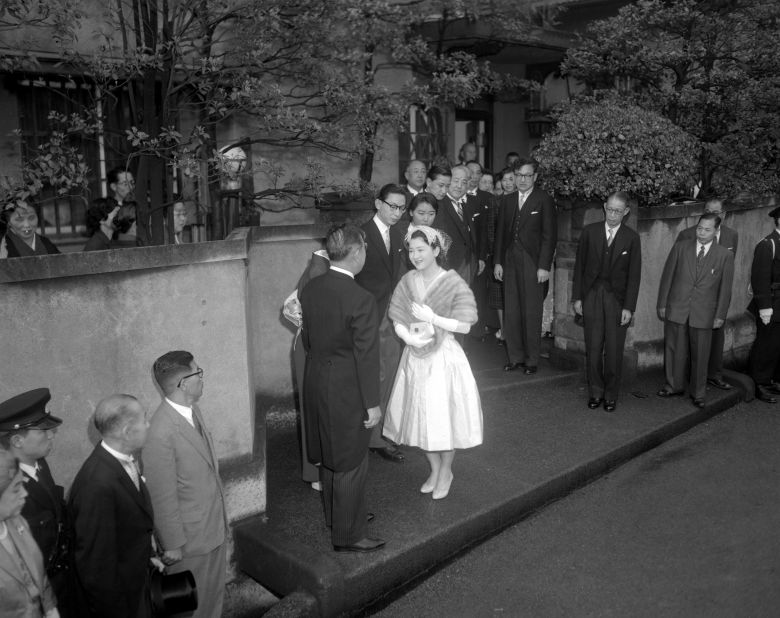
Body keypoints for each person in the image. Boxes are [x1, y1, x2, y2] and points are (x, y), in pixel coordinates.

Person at [300, 223, 384, 552]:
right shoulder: (361, 298)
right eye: (364, 246)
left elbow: (308, 339)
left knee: (331, 453)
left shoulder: (312, 287)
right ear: (356, 253)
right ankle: (350, 535)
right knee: (350, 458)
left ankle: (341, 516)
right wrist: (372, 403)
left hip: (317, 377)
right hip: (347, 386)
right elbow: (366, 357)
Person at [384, 226, 482, 500]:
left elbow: (465, 325)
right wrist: (407, 338)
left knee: (442, 418)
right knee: (419, 418)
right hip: (415, 357)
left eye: (421, 250)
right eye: (411, 250)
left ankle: (446, 471)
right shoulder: (407, 281)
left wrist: (434, 318)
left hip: (443, 360)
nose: (415, 255)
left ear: (436, 251)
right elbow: (397, 316)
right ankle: (436, 469)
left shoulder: (452, 282)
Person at [143, 351, 228, 618]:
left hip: (212, 527)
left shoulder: (193, 410)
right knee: (194, 609)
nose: (202, 376)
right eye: (198, 372)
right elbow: (160, 494)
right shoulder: (159, 432)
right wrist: (172, 544)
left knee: (213, 599)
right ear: (183, 383)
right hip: (189, 543)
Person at [69, 394, 156, 618]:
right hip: (122, 602)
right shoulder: (97, 484)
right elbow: (96, 566)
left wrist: (147, 558)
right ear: (127, 432)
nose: (148, 425)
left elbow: (128, 527)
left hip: (136, 583)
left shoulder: (122, 459)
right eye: (144, 420)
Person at [0, 389, 73, 616]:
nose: (52, 434)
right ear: (17, 440)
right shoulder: (6, 490)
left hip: (57, 585)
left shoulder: (39, 464)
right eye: (43, 430)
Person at [657, 212, 735, 408]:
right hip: (678, 307)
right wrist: (662, 304)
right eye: (700, 228)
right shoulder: (681, 247)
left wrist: (720, 315)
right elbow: (667, 277)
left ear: (716, 231)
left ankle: (698, 393)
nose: (702, 233)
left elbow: (726, 289)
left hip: (705, 312)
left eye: (707, 230)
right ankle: (673, 385)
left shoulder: (725, 255)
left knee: (701, 354)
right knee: (674, 348)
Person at [572, 193, 642, 412]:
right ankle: (596, 392)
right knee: (593, 348)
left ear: (626, 212)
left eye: (618, 211)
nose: (612, 215)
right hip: (592, 294)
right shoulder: (589, 232)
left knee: (613, 349)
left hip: (616, 300)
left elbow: (634, 275)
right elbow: (579, 267)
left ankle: (611, 394)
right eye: (610, 209)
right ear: (604, 207)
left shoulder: (631, 237)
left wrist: (628, 307)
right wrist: (578, 298)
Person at [355, 184, 408, 463]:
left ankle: (379, 434)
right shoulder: (360, 234)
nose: (397, 213)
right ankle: (369, 436)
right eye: (392, 206)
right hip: (368, 317)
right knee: (373, 376)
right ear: (378, 204)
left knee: (389, 373)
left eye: (402, 208)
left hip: (391, 315)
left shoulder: (399, 234)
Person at [494, 158, 557, 374]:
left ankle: (531, 360)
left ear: (535, 177)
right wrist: (498, 262)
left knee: (531, 311)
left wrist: (544, 266)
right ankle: (515, 357)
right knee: (511, 309)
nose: (522, 180)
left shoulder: (544, 199)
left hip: (532, 261)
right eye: (518, 175)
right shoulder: (508, 200)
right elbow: (500, 234)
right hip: (510, 258)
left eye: (527, 175)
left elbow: (550, 236)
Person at [675, 198, 738, 391]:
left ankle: (714, 374)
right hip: (694, 299)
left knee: (716, 338)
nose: (712, 214)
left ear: (724, 214)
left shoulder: (732, 235)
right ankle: (687, 377)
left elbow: (728, 269)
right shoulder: (687, 235)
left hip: (716, 297)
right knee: (689, 339)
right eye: (708, 210)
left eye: (716, 212)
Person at [282, 248, 331, 490]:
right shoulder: (319, 269)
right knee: (316, 409)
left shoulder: (319, 265)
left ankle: (321, 470)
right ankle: (317, 472)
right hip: (313, 347)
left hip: (313, 346)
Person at [0, 448, 60, 618]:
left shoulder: (18, 521)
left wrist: (50, 608)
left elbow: (39, 575)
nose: (25, 494)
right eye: (16, 488)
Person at [747, 206, 780, 403]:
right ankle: (759, 382)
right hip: (772, 302)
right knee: (766, 344)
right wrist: (764, 307)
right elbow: (759, 278)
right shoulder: (768, 244)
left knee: (778, 345)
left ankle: (775, 379)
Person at [436, 165, 483, 285]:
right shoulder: (438, 204)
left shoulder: (465, 205)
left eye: (464, 182)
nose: (459, 186)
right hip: (447, 266)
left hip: (468, 263)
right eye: (455, 181)